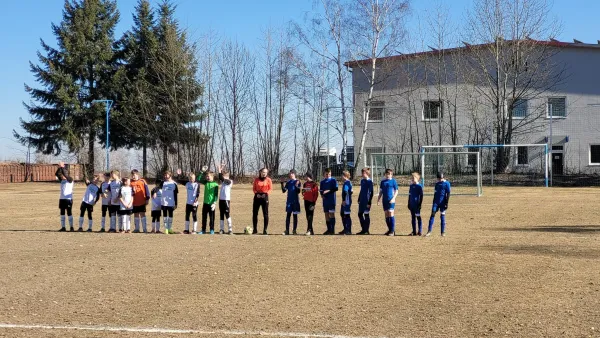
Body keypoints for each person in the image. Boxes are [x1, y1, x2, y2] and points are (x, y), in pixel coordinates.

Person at [426, 172, 451, 237]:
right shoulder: (437, 184)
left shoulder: (447, 183)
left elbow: (448, 194)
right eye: (439, 179)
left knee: (442, 216)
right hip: (436, 202)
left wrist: (446, 203)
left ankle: (442, 232)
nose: (440, 180)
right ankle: (429, 231)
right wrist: (434, 202)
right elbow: (435, 193)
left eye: (441, 179)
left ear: (443, 178)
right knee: (432, 214)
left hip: (443, 202)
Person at [377, 168, 399, 236]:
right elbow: (381, 192)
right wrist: (378, 199)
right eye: (387, 174)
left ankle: (392, 231)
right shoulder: (383, 182)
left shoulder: (393, 181)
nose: (388, 175)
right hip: (385, 201)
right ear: (385, 174)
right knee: (386, 215)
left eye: (390, 174)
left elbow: (396, 191)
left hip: (391, 200)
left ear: (392, 175)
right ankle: (389, 229)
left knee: (391, 213)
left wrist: (393, 198)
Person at [198, 167, 219, 235]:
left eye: (208, 176)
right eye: (206, 176)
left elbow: (216, 194)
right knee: (204, 217)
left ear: (212, 176)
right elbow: (198, 179)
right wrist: (201, 171)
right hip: (205, 203)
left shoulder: (215, 185)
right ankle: (203, 230)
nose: (207, 177)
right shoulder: (206, 183)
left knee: (212, 218)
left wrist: (214, 203)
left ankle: (212, 229)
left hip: (211, 204)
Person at [280, 169, 301, 235]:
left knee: (295, 215)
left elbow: (298, 191)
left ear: (295, 174)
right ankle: (287, 230)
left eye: (292, 173)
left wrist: (297, 186)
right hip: (289, 201)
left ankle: (294, 230)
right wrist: (282, 183)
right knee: (288, 215)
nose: (291, 174)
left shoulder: (298, 181)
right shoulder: (288, 182)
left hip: (295, 201)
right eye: (290, 173)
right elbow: (284, 191)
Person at [252, 168, 272, 235]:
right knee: (255, 214)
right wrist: (256, 194)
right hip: (257, 197)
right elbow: (254, 188)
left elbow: (270, 189)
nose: (264, 173)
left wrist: (266, 194)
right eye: (263, 172)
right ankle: (255, 229)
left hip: (265, 197)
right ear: (260, 172)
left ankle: (265, 230)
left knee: (265, 214)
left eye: (266, 172)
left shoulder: (268, 180)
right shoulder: (256, 180)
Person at [56, 162, 74, 232]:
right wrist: (59, 167)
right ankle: (63, 227)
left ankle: (71, 227)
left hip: (68, 199)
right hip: (62, 198)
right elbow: (57, 174)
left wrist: (62, 167)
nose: (61, 176)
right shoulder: (62, 180)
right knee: (62, 212)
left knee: (69, 212)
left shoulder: (70, 180)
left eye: (63, 175)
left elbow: (66, 176)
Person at [319, 168, 338, 235]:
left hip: (331, 200)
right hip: (325, 200)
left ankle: (332, 230)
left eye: (329, 174)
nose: (328, 175)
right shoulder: (322, 182)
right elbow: (321, 190)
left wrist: (328, 191)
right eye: (326, 174)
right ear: (324, 174)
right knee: (326, 214)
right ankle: (329, 229)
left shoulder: (333, 180)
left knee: (331, 214)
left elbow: (336, 188)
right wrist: (322, 195)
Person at [357, 168, 374, 235]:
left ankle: (366, 230)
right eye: (362, 173)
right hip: (362, 200)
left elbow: (371, 192)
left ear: (367, 173)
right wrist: (359, 198)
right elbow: (361, 190)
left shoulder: (369, 181)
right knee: (360, 214)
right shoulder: (362, 181)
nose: (362, 174)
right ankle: (363, 229)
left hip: (367, 200)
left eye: (363, 173)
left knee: (366, 214)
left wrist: (369, 202)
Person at [218, 164, 234, 235]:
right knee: (221, 214)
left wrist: (219, 170)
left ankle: (230, 229)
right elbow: (220, 177)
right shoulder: (223, 181)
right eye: (224, 175)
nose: (224, 176)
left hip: (226, 200)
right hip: (221, 199)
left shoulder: (229, 181)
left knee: (227, 214)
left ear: (228, 176)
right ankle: (222, 229)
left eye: (225, 175)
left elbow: (221, 178)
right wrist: (220, 170)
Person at [339, 171, 353, 235]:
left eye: (342, 175)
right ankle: (345, 228)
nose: (341, 177)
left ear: (345, 176)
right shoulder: (347, 182)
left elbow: (346, 191)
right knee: (342, 213)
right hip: (346, 200)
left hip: (346, 201)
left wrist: (344, 200)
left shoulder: (347, 183)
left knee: (347, 215)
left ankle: (348, 230)